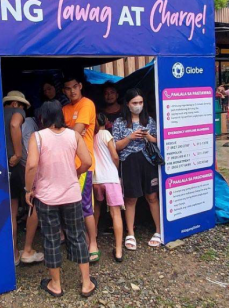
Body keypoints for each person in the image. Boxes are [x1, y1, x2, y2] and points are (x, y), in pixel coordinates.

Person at [24, 100, 97, 298]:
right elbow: (88, 161)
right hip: (72, 195)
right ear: (61, 116)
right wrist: (74, 173)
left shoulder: (37, 137)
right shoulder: (73, 135)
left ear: (42, 117)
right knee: (78, 236)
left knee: (51, 239)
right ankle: (86, 283)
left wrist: (27, 189)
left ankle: (56, 285)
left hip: (46, 198)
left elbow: (31, 165)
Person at [112, 88, 161, 249]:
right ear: (127, 104)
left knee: (152, 196)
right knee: (131, 198)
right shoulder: (119, 122)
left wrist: (147, 136)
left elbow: (157, 141)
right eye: (134, 103)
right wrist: (130, 137)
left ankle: (159, 230)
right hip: (128, 162)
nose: (138, 106)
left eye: (140, 102)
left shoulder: (150, 121)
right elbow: (115, 146)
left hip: (148, 161)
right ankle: (130, 233)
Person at [61, 74, 100, 262]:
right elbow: (61, 133)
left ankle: (93, 243)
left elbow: (71, 133)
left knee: (85, 206)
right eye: (68, 88)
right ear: (64, 91)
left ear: (81, 85)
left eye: (75, 86)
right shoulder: (64, 109)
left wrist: (69, 132)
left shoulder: (87, 104)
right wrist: (71, 132)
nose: (72, 91)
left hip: (82, 165)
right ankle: (82, 240)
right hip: (66, 164)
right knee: (71, 207)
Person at [2, 91, 43, 265]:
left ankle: (7, 252)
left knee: (2, 212)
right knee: (13, 212)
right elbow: (14, 125)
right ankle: (15, 255)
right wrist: (18, 154)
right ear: (16, 104)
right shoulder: (16, 112)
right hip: (14, 167)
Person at [92, 113, 124, 262]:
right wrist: (115, 170)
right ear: (105, 121)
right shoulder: (106, 134)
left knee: (95, 209)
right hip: (110, 178)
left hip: (95, 179)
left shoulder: (89, 136)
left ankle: (93, 240)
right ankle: (118, 250)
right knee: (115, 213)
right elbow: (115, 156)